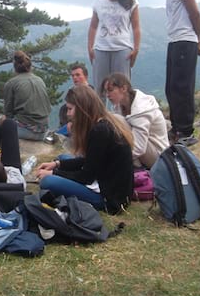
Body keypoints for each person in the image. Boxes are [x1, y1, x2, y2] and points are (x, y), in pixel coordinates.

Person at [35, 85, 134, 214]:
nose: (68, 113)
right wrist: (56, 164)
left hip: (109, 199)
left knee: (48, 181)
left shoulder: (100, 132)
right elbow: (90, 161)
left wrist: (54, 173)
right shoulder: (104, 123)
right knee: (62, 159)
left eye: (70, 109)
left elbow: (86, 177)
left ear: (82, 109)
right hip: (107, 182)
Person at [149, 0, 200, 146]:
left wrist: (197, 41)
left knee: (182, 87)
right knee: (172, 87)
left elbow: (195, 13)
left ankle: (186, 132)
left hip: (185, 41)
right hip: (175, 41)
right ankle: (177, 128)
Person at [87, 0, 141, 100]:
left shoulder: (131, 3)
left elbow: (136, 27)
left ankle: (123, 117)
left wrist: (136, 49)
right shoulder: (99, 2)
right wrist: (90, 47)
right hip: (101, 48)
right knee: (100, 88)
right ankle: (100, 117)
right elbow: (93, 26)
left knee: (122, 87)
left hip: (122, 48)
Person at [102, 73, 169, 168]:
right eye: (106, 92)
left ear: (124, 89)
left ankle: (136, 168)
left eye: (111, 90)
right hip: (144, 152)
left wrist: (114, 161)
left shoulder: (142, 109)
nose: (107, 95)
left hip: (158, 157)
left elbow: (139, 148)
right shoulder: (119, 107)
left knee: (117, 119)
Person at [3, 50, 52, 141]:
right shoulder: (40, 80)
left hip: (23, 131)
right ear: (30, 66)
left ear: (15, 67)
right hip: (43, 131)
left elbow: (8, 114)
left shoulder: (11, 83)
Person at [55, 63, 91, 138]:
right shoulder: (72, 90)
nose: (74, 77)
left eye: (78, 75)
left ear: (86, 76)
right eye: (73, 75)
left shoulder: (91, 93)